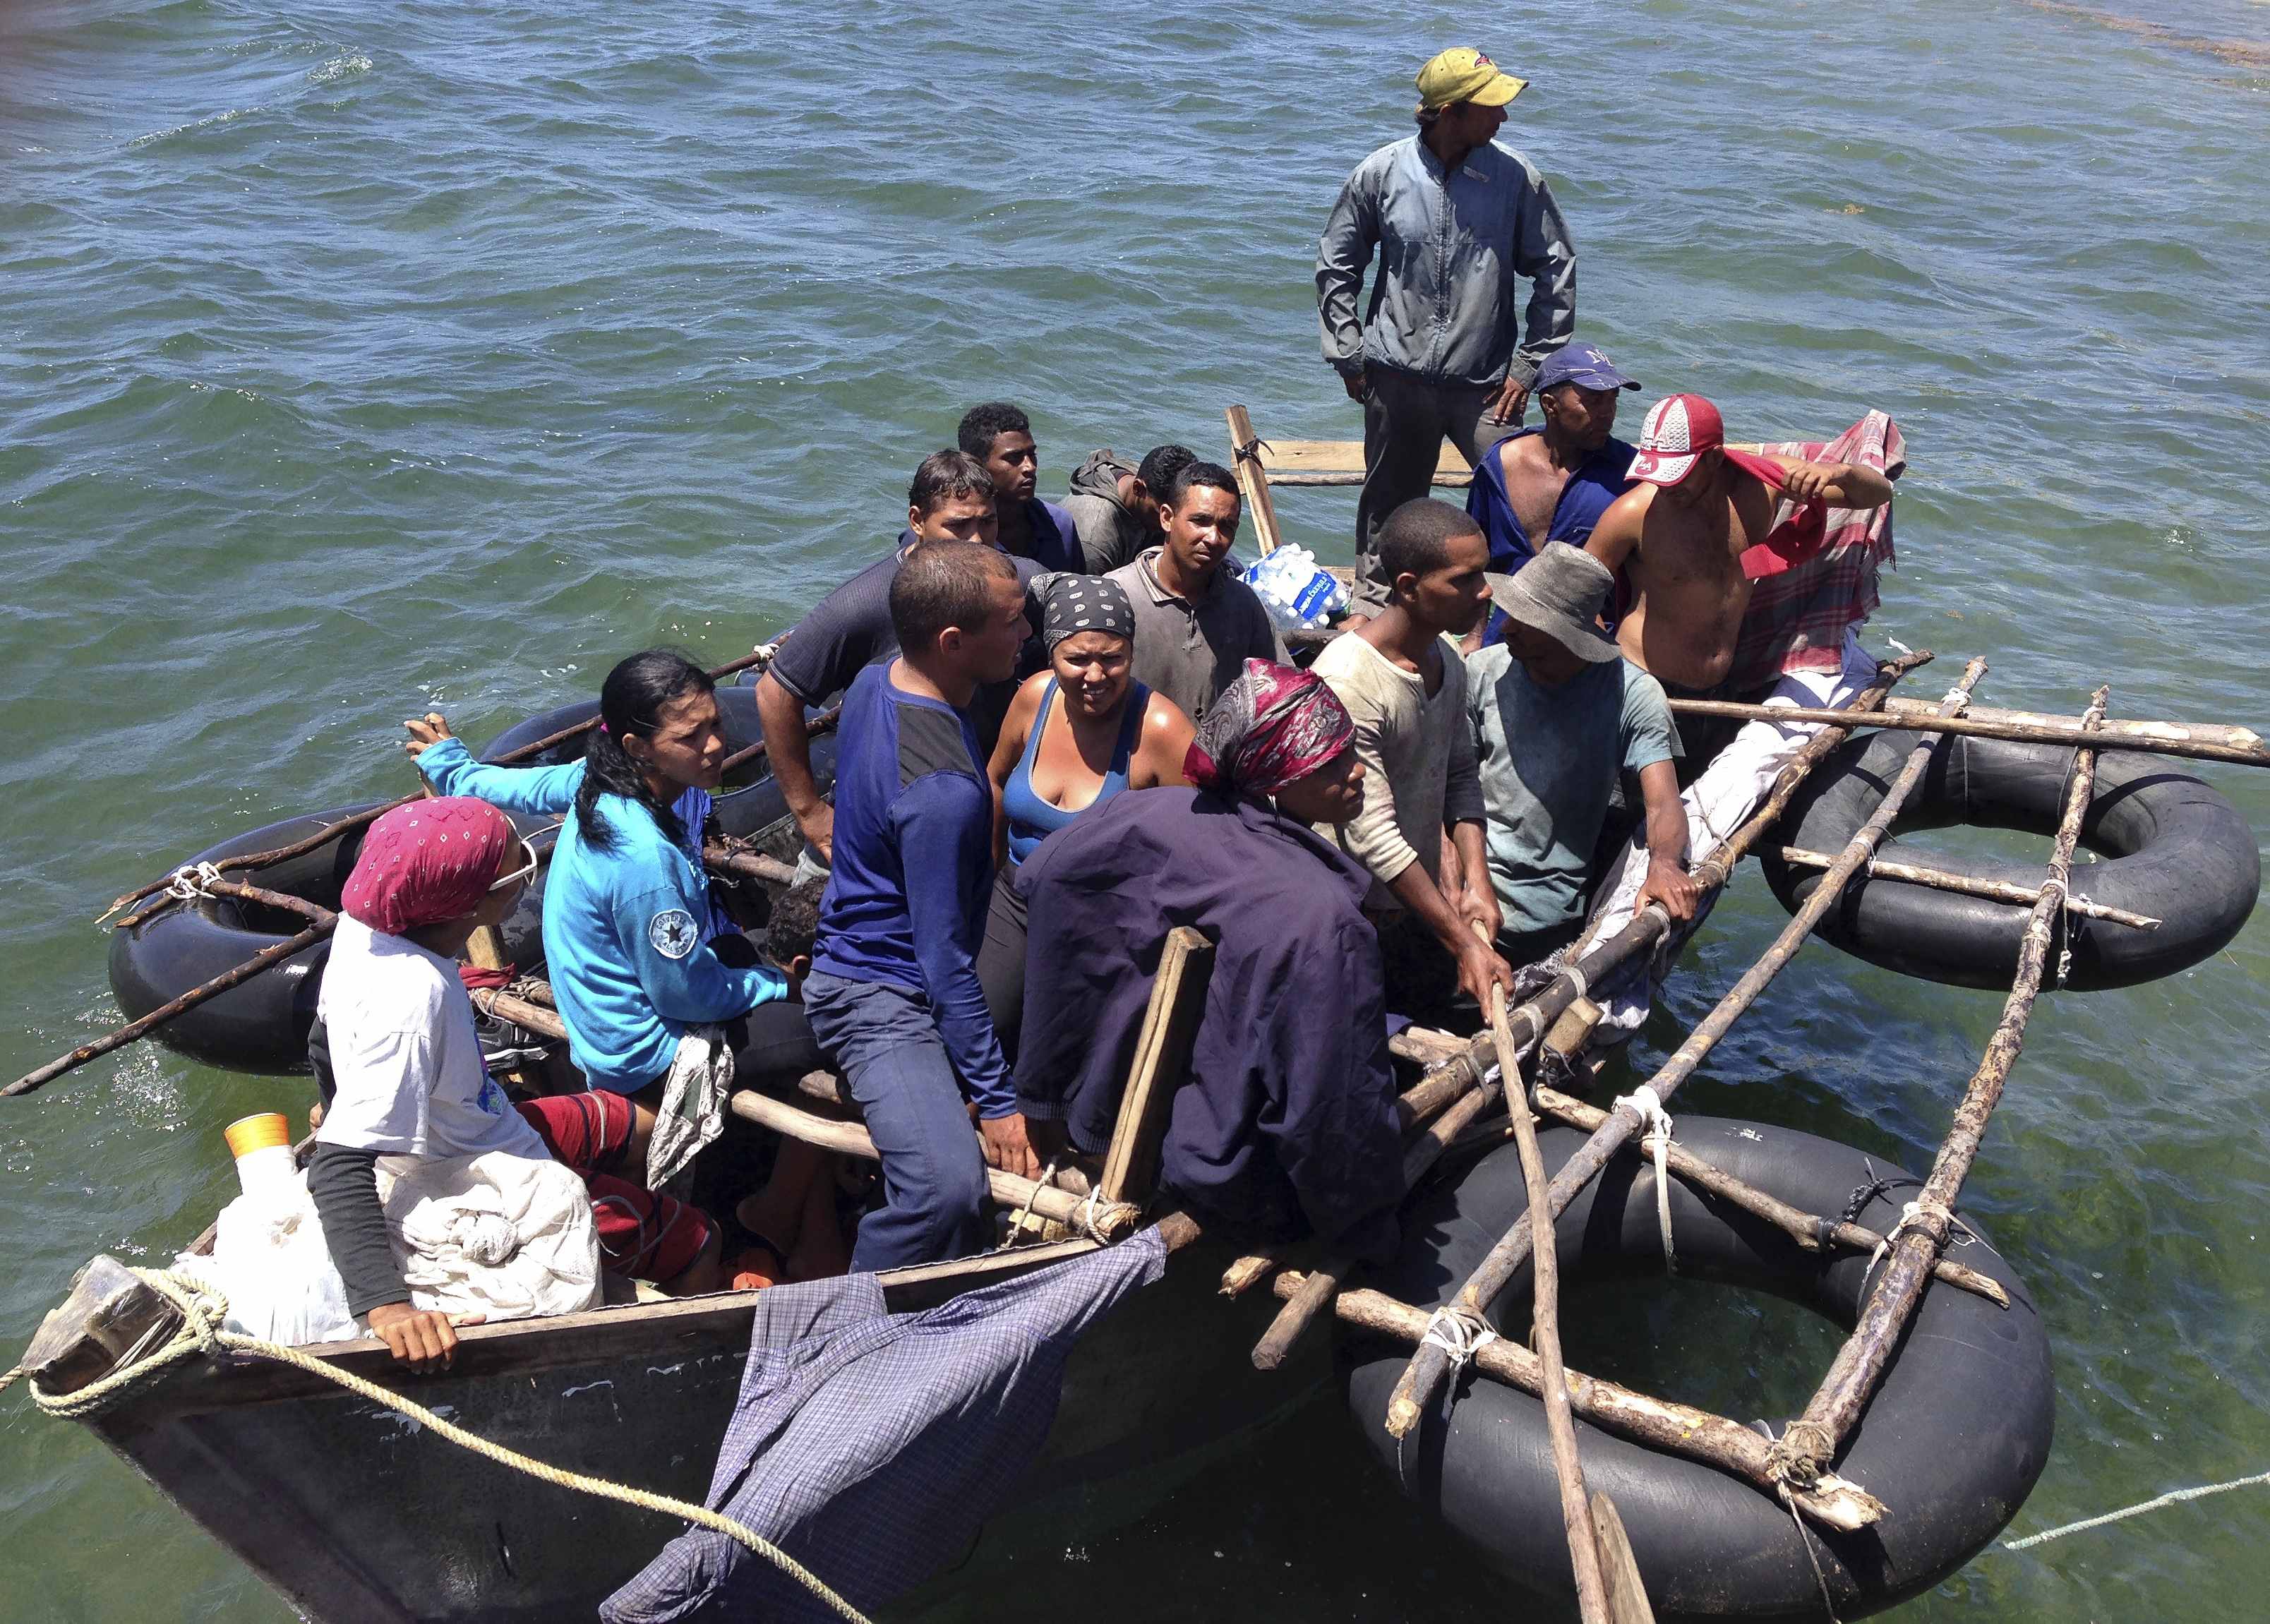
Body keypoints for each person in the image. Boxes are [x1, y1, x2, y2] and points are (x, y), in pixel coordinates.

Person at [308, 798, 723, 1373]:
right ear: (473, 905)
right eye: (515, 870)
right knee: (701, 1239)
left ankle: (625, 1223)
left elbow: (319, 1031)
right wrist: (387, 1306)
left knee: (645, 1124)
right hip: (478, 1174)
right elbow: (336, 1166)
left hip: (489, 1119)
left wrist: (335, 1099)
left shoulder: (364, 922)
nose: (525, 872)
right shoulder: (410, 998)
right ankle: (684, 1368)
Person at [1014, 661, 1405, 1262]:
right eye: (1329, 761)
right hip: (1219, 1171)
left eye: (1352, 748)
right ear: (1272, 781)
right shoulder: (1324, 920)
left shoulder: (1154, 811)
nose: (1358, 771)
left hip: (1098, 1107)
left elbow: (1039, 871)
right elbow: (1330, 1114)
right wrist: (1371, 1231)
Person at [412, 651, 791, 1138]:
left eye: (715, 725)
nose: (715, 745)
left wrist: (450, 764)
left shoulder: (599, 780)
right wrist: (777, 986)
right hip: (645, 1052)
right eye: (690, 737)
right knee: (826, 1022)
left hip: (606, 1028)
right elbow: (683, 995)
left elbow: (515, 786)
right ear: (638, 746)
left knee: (751, 951)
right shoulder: (646, 858)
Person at [802, 541, 1036, 1270]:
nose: (1027, 635)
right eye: (1012, 622)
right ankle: (852, 1329)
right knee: (947, 1193)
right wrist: (996, 1102)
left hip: (889, 949)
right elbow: (941, 964)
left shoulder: (876, 682)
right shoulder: (943, 793)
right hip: (878, 993)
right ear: (953, 643)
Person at [1317, 46, 1577, 610]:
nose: (1504, 116)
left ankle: (1517, 616)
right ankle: (1374, 616)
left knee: (1521, 502)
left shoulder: (1515, 180)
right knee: (1390, 510)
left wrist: (1529, 367)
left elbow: (1556, 270)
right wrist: (1349, 352)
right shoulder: (1381, 172)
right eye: (1491, 106)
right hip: (1395, 379)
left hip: (1486, 390)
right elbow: (1337, 264)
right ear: (1452, 111)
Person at [754, 450, 1039, 864]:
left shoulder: (1020, 584)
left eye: (988, 521)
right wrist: (811, 813)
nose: (977, 540)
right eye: (958, 526)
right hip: (878, 813)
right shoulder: (864, 603)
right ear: (917, 521)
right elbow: (774, 693)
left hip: (976, 803)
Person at [1585, 392, 1894, 772]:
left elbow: (1878, 493)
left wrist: (1837, 474)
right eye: (1657, 473)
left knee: (1697, 803)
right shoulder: (1632, 513)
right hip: (1645, 685)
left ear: (1714, 458)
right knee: (1635, 807)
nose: (1666, 486)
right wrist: (1609, 679)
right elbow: (1578, 596)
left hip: (1722, 691)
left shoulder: (1762, 484)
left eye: (1677, 475)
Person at [1309, 499, 1513, 1018]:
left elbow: (1460, 773)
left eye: (1482, 574)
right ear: (1407, 587)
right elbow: (1370, 833)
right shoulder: (1351, 679)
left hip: (1410, 904)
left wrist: (1477, 879)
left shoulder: (1446, 659)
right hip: (1348, 908)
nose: (1485, 591)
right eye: (1463, 580)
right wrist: (1462, 940)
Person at [975, 574, 1196, 1054]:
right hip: (1015, 896)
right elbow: (993, 780)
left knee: (1061, 1051)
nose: (1095, 676)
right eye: (1076, 659)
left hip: (1103, 916)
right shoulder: (1034, 697)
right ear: (1051, 656)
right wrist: (987, 874)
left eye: (1112, 658)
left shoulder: (1161, 730)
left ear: (1132, 654)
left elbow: (1203, 849)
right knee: (979, 1030)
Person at [1465, 543, 1696, 966]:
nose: (1508, 628)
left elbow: (1662, 802)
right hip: (1466, 889)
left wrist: (1664, 863)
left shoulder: (1633, 694)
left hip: (1543, 912)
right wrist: (1461, 882)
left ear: (1566, 634)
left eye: (1526, 620)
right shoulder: (1482, 671)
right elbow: (1451, 785)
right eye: (1509, 612)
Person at [1465, 340, 1638, 642]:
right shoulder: (1500, 465)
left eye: (1613, 399)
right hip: (1507, 637)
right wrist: (1475, 636)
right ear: (1550, 405)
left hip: (1589, 643)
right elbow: (1478, 557)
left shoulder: (1629, 473)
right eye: (1594, 400)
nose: (1608, 413)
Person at [1103, 462, 1287, 722]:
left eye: (1227, 526)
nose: (1213, 538)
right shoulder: (1116, 595)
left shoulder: (1244, 605)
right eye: (1200, 521)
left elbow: (1280, 688)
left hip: (1214, 760)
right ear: (1167, 518)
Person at [958, 402, 1083, 573]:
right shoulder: (948, 533)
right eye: (1014, 457)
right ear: (976, 464)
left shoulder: (1060, 526)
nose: (1030, 467)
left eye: (1032, 454)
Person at [1061, 443, 1199, 575]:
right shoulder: (1095, 539)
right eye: (1163, 514)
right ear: (1138, 489)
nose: (1169, 524)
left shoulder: (1146, 480)